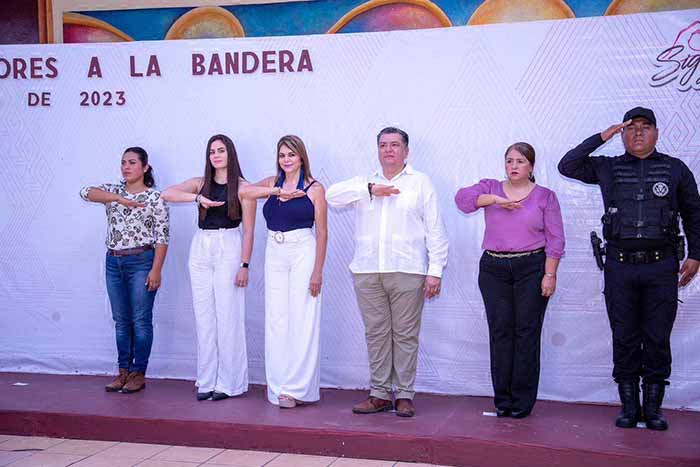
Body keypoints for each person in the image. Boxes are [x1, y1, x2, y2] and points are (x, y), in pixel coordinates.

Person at [558, 107, 700, 430]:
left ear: (656, 133)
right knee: (624, 336)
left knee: (657, 337)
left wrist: (696, 254)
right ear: (621, 134)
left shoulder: (675, 169)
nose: (638, 132)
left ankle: (653, 409)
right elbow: (567, 165)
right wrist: (603, 135)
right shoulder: (608, 167)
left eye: (645, 127)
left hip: (661, 267)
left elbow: (694, 213)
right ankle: (629, 407)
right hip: (619, 267)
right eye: (631, 127)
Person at [326, 127, 448, 417]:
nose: (388, 150)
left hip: (408, 269)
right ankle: (380, 394)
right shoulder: (364, 182)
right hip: (368, 270)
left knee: (405, 335)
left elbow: (435, 229)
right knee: (376, 333)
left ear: (406, 151)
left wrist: (435, 270)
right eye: (383, 145)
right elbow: (331, 195)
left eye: (395, 145)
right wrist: (369, 190)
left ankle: (404, 395)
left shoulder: (420, 182)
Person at [455, 142, 564, 419]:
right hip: (494, 268)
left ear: (531, 166)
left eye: (520, 161)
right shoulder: (490, 187)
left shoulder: (545, 196)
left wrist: (549, 274)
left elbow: (556, 240)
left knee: (527, 332)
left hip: (532, 267)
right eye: (509, 161)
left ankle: (522, 401)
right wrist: (495, 200)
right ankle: (503, 400)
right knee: (500, 331)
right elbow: (462, 200)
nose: (513, 166)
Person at [162, 134, 255, 401]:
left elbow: (249, 230)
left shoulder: (243, 187)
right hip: (201, 246)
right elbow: (167, 193)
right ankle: (206, 379)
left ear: (230, 153)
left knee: (228, 315)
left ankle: (229, 382)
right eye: (212, 151)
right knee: (204, 315)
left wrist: (244, 265)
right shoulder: (200, 183)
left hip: (229, 245)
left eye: (221, 150)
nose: (216, 155)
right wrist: (197, 199)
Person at [241, 135, 327, 408]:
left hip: (303, 250)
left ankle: (297, 389)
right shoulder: (271, 183)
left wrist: (317, 272)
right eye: (282, 155)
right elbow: (244, 193)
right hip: (274, 251)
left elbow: (322, 233)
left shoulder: (314, 188)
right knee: (276, 319)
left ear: (301, 157)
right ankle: (278, 385)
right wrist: (278, 192)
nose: (286, 160)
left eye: (291, 154)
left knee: (302, 317)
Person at [80, 147, 170, 394]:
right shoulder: (113, 191)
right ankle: (123, 372)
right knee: (121, 320)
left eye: (132, 162)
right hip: (114, 262)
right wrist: (118, 199)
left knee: (140, 320)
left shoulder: (155, 198)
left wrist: (156, 270)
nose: (126, 167)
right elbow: (85, 192)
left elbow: (162, 237)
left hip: (141, 261)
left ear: (145, 167)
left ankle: (138, 373)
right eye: (123, 163)